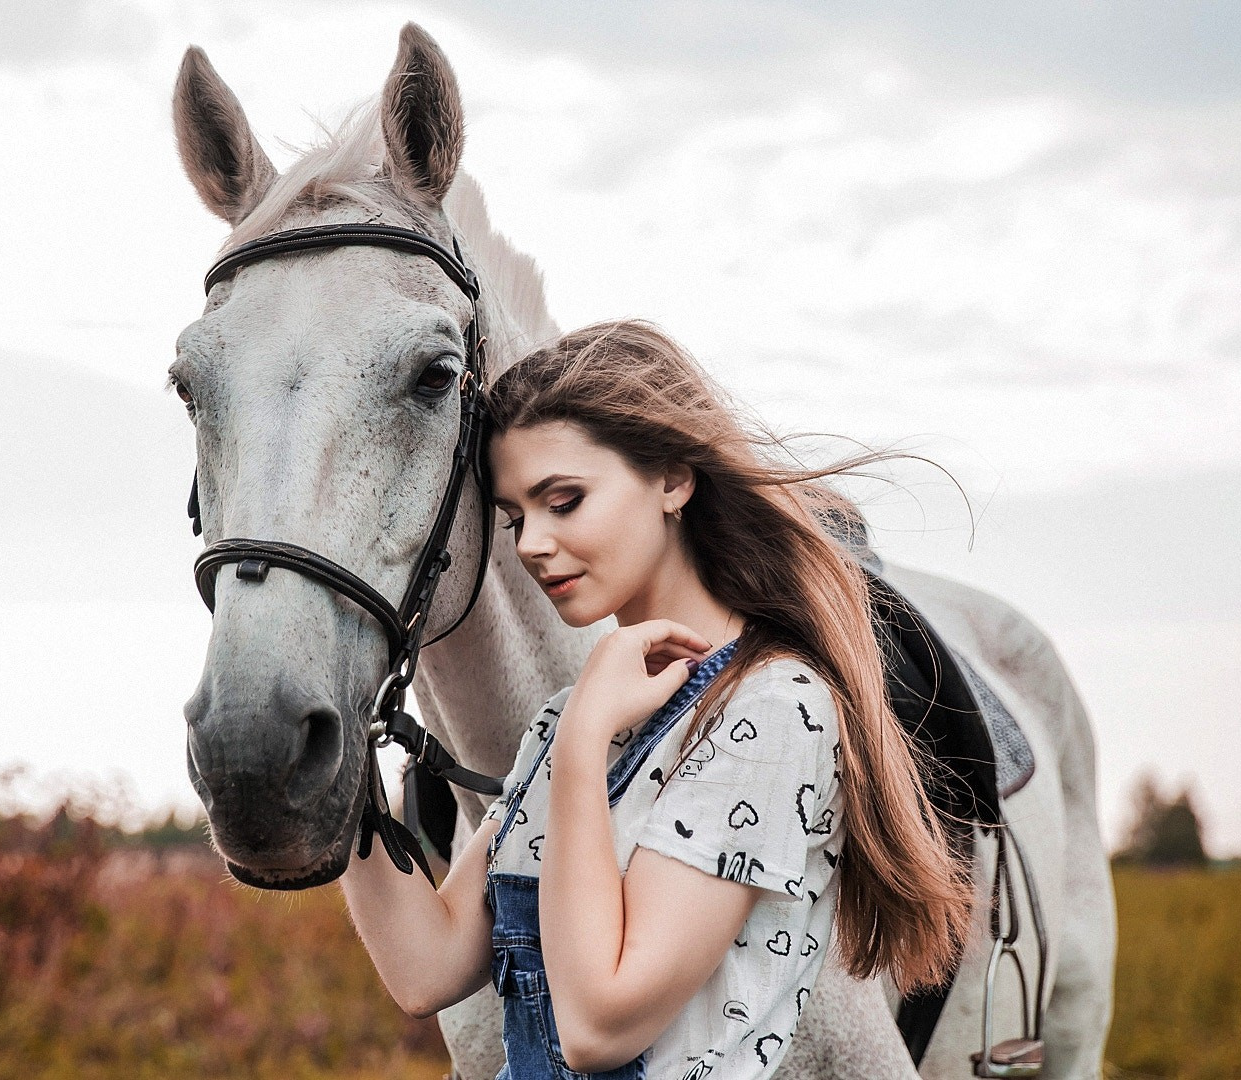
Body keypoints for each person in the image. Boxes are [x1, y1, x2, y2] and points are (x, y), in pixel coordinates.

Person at [339, 320, 976, 1079]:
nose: (531, 543)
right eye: (515, 517)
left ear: (673, 480)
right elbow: (427, 968)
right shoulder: (572, 717)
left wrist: (581, 745)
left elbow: (600, 1026)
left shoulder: (771, 711)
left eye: (563, 500)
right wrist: (333, 758)